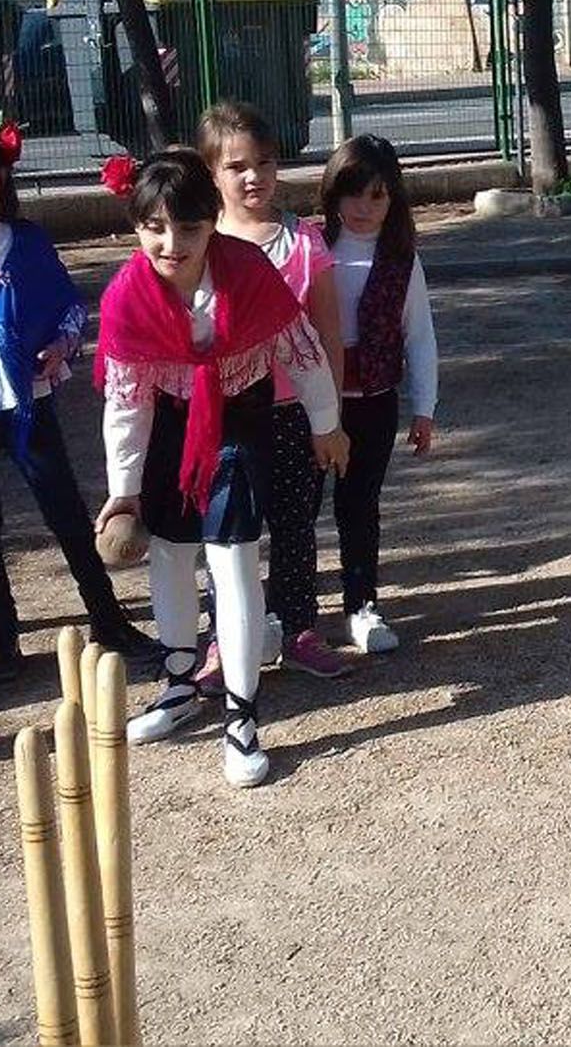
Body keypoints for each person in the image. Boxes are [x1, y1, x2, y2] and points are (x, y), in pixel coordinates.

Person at [94, 149, 348, 788]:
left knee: (231, 557)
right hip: (172, 428)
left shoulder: (248, 271)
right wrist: (123, 493)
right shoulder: (128, 295)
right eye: (154, 227)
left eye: (187, 227)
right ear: (137, 228)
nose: (170, 242)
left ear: (212, 224)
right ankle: (179, 688)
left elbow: (306, 352)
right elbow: (126, 403)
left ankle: (241, 716)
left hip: (239, 418)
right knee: (171, 552)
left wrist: (327, 424)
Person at [0, 120, 155, 683]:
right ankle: (2, 638)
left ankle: (108, 619)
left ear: (0, 181)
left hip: (30, 401)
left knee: (64, 509)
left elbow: (67, 306)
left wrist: (64, 343)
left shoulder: (29, 241)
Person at [202, 100, 354, 680]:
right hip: (227, 417)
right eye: (236, 166)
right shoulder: (201, 243)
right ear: (211, 173)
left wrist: (329, 421)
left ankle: (300, 629)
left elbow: (327, 334)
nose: (253, 177)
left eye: (264, 163)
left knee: (295, 525)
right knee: (227, 532)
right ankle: (224, 640)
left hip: (295, 413)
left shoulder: (303, 241)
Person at [317, 134, 437, 652]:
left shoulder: (403, 261)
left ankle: (361, 603)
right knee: (296, 507)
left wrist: (424, 405)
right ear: (332, 194)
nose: (364, 209)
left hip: (375, 401)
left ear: (394, 200)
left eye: (378, 196)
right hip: (313, 402)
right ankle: (288, 613)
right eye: (353, 194)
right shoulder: (311, 249)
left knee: (359, 504)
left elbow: (420, 336)